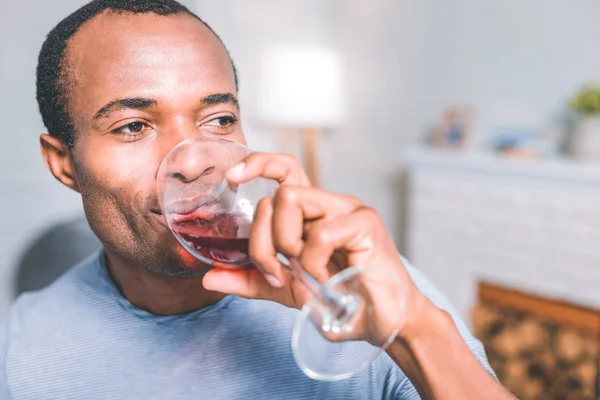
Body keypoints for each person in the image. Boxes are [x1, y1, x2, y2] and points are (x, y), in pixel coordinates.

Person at [0, 1, 515, 399]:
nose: (194, 161)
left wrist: (412, 330)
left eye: (218, 120)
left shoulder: (363, 287)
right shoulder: (21, 351)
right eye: (134, 126)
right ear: (64, 163)